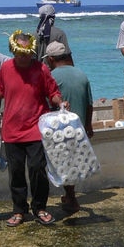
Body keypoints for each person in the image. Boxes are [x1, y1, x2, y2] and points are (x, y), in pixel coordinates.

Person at [0, 30, 63, 227]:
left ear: (32, 52)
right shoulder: (6, 68)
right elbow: (0, 90)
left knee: (37, 168)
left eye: (27, 54)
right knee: (15, 172)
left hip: (36, 128)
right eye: (19, 54)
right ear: (13, 51)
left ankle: (40, 207)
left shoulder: (41, 69)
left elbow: (53, 93)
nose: (23, 57)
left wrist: (61, 102)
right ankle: (19, 210)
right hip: (12, 130)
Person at [42, 41, 94, 213]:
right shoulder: (82, 74)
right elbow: (89, 104)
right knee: (71, 162)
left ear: (50, 59)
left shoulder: (51, 76)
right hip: (79, 128)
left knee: (63, 164)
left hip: (60, 128)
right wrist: (88, 126)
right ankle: (70, 196)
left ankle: (71, 199)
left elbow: (47, 103)